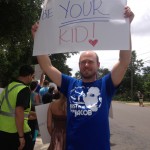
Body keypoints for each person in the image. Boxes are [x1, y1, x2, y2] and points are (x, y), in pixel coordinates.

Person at [32, 6, 134, 150]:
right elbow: (47, 66)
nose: (86, 65)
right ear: (79, 65)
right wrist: (38, 39)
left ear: (98, 64)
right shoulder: (69, 83)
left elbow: (124, 61)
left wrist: (126, 27)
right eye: (83, 62)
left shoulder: (106, 84)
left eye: (90, 61)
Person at [0, 65, 35, 150]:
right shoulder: (24, 89)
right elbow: (19, 112)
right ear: (29, 75)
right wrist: (21, 136)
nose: (32, 79)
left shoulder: (8, 87)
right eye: (33, 77)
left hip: (2, 130)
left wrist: (30, 113)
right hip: (16, 132)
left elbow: (8, 109)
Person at [28, 80, 41, 149]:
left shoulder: (27, 93)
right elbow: (38, 105)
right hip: (34, 114)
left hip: (27, 114)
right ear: (36, 87)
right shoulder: (36, 95)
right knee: (34, 132)